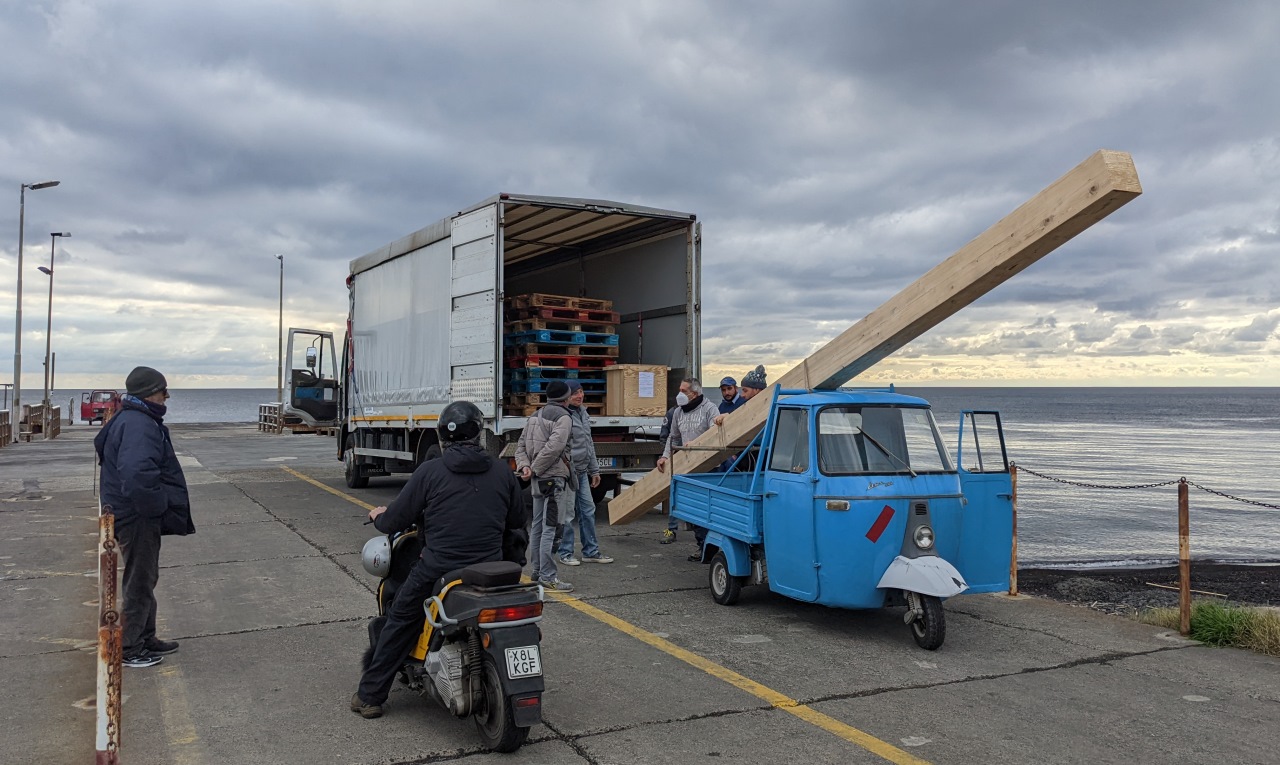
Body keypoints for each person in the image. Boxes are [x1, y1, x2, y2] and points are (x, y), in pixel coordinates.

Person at [352, 400, 528, 719]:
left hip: (440, 568)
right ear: (479, 433)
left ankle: (370, 696)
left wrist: (379, 516)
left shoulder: (430, 472)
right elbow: (517, 516)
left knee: (400, 618)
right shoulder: (502, 471)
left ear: (442, 437)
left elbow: (395, 520)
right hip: (490, 569)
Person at [94, 366, 194, 669]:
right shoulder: (139, 424)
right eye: (164, 391)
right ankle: (130, 646)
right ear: (151, 392)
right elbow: (137, 473)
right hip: (136, 515)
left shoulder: (129, 418)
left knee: (146, 575)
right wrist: (156, 506)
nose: (167, 397)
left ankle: (145, 636)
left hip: (129, 511)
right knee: (139, 579)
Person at [514, 380, 577, 592]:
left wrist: (526, 467)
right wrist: (536, 468)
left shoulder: (535, 416)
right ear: (566, 398)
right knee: (551, 528)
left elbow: (520, 446)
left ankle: (536, 571)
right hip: (553, 480)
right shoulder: (564, 418)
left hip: (537, 480)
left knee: (538, 526)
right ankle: (548, 576)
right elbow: (555, 447)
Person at [655, 378, 720, 561]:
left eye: (684, 391)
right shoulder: (678, 412)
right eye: (679, 389)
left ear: (695, 393)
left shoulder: (710, 409)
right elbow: (673, 437)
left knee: (709, 511)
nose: (680, 394)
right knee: (694, 511)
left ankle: (712, 548)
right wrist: (665, 456)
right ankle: (702, 547)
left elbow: (715, 434)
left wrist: (697, 444)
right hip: (688, 467)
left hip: (708, 468)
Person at [557, 381, 614, 566]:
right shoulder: (562, 415)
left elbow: (589, 443)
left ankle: (591, 551)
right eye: (575, 393)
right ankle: (565, 552)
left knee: (588, 511)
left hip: (582, 472)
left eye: (581, 392)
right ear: (566, 396)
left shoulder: (583, 413)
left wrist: (595, 470)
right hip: (567, 472)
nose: (579, 396)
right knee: (568, 514)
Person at [657, 403, 680, 544]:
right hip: (675, 460)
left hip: (694, 460)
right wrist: (668, 456)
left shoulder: (701, 411)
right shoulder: (673, 413)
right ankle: (671, 530)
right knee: (674, 495)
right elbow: (665, 437)